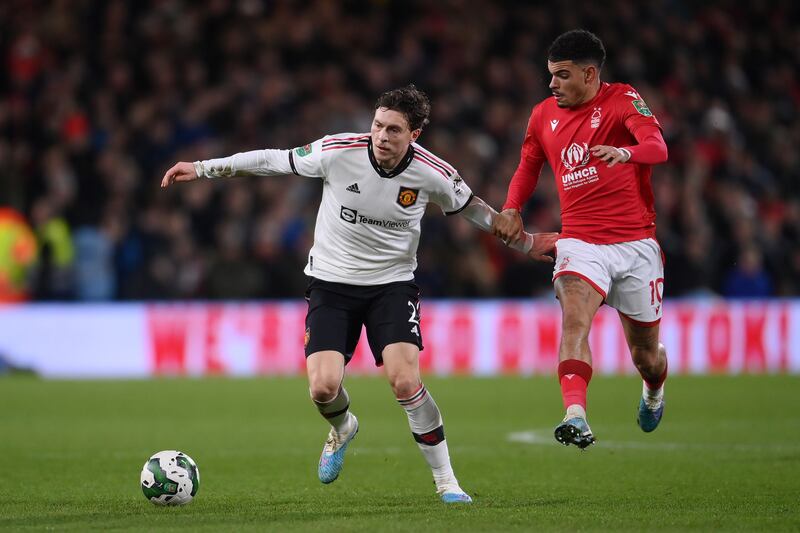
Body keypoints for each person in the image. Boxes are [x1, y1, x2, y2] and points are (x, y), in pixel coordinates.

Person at [162, 85, 558, 501]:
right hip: (331, 284)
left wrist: (527, 245)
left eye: (394, 130)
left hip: (392, 286)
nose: (382, 136)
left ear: (415, 134)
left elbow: (477, 212)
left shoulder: (433, 173)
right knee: (323, 388)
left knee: (405, 381)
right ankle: (343, 427)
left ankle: (447, 482)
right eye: (377, 125)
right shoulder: (338, 151)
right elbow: (271, 160)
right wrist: (204, 168)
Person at [492, 30, 670, 449]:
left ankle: (654, 388)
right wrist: (512, 207)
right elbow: (528, 165)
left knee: (646, 357)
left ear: (590, 74)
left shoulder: (623, 100)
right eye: (550, 74)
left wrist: (626, 153)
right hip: (580, 242)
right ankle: (576, 415)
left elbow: (657, 147)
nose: (552, 83)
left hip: (635, 245)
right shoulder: (542, 116)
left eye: (562, 75)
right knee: (574, 317)